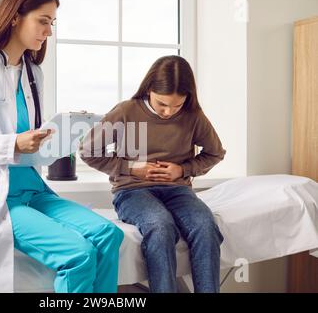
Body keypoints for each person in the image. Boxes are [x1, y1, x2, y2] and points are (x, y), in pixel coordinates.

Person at [0, 0, 123, 293]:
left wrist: (60, 139)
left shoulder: (33, 73)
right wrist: (13, 144)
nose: (49, 31)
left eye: (52, 23)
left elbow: (30, 142)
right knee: (78, 254)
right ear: (14, 17)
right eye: (43, 21)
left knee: (108, 234)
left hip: (33, 189)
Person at [80, 55, 226, 293]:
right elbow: (88, 151)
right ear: (149, 89)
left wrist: (183, 169)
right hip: (132, 191)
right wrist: (131, 168)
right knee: (160, 226)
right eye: (162, 104)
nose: (169, 111)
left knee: (205, 226)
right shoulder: (125, 111)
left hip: (178, 190)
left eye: (177, 105)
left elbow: (215, 153)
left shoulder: (193, 116)